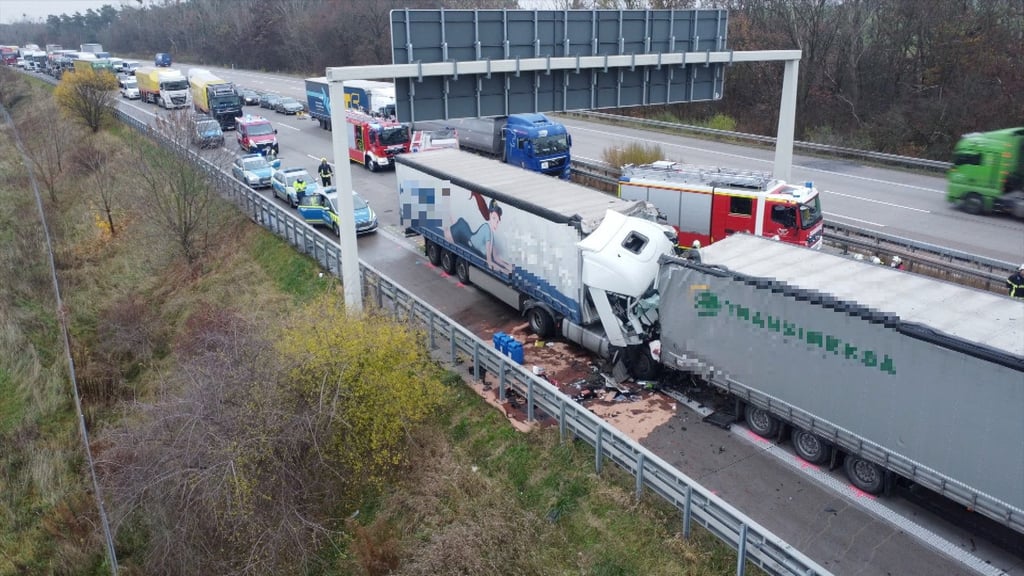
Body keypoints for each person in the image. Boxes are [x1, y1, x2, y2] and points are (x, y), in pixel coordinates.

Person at [444, 194, 515, 275]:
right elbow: (489, 262)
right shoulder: (487, 230)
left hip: (464, 232)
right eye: (494, 218)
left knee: (449, 224)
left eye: (497, 220)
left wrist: (509, 266)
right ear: (490, 215)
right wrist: (504, 271)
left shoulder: (492, 236)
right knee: (446, 231)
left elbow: (496, 258)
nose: (496, 223)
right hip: (460, 231)